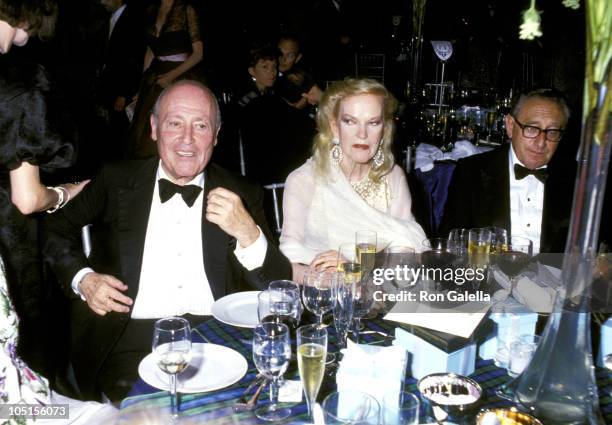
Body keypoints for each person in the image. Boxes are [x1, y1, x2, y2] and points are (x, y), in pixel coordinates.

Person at [42, 80, 292, 401]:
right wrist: (83, 279)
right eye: (175, 123)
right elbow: (54, 230)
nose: (187, 139)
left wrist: (249, 234)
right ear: (154, 128)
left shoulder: (241, 192)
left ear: (216, 135)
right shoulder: (116, 179)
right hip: (132, 340)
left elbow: (279, 288)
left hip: (216, 337)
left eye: (200, 125)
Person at [0, 2, 117, 422]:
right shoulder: (17, 85)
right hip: (6, 246)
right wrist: (64, 194)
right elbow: (27, 199)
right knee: (20, 378)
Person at [279, 78, 426, 281]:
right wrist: (344, 279)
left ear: (384, 130)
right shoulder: (304, 180)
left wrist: (357, 272)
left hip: (380, 294)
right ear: (334, 127)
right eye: (350, 121)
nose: (362, 134)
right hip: (323, 299)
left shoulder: (393, 177)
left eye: (373, 123)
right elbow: (286, 264)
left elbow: (407, 252)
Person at [438, 88, 573, 254]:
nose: (541, 142)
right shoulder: (471, 171)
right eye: (531, 128)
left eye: (552, 132)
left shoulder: (578, 179)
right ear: (510, 126)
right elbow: (451, 241)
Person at [127, 0, 203, 158]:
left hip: (180, 77)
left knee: (173, 131)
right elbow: (150, 51)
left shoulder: (185, 9)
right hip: (154, 77)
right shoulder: (151, 10)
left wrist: (171, 76)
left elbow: (198, 54)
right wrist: (142, 87)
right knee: (146, 136)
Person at [96, 0, 146, 160]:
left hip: (122, 92)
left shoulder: (133, 19)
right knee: (111, 137)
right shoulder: (109, 19)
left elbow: (134, 58)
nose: (102, 1)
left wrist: (125, 94)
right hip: (109, 89)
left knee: (122, 138)